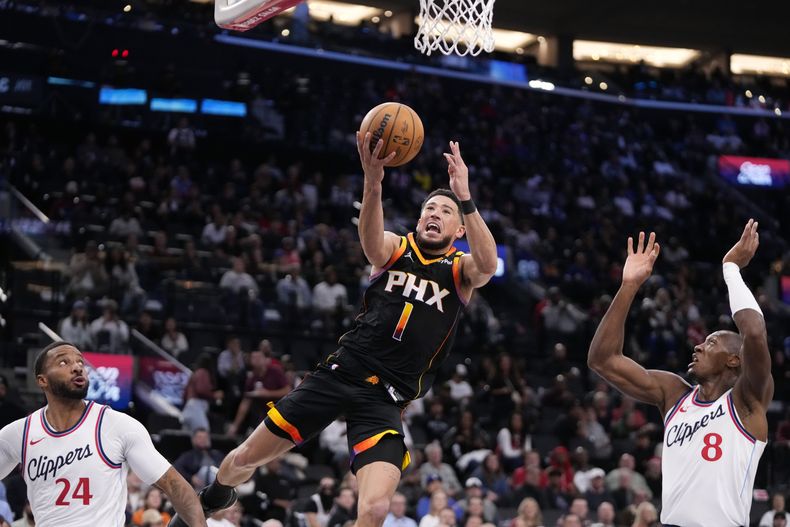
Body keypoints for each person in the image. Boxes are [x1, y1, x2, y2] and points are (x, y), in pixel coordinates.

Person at [170, 137, 497, 526]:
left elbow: (489, 264)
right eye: (430, 207)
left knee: (375, 509)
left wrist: (465, 198)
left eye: (445, 211)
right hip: (341, 372)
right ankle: (215, 494)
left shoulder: (461, 271)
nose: (435, 213)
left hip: (385, 399)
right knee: (244, 459)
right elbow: (372, 245)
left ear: (459, 229)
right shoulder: (398, 247)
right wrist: (373, 182)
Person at [587, 222, 772, 527]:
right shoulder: (673, 393)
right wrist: (629, 286)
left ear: (734, 361)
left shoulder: (747, 401)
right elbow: (602, 360)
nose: (698, 346)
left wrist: (730, 268)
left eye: (711, 343)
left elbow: (753, 331)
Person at [0, 341, 206, 526]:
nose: (77, 367)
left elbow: (174, 485)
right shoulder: (20, 433)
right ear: (42, 381)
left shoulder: (117, 426)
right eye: (63, 362)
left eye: (80, 362)